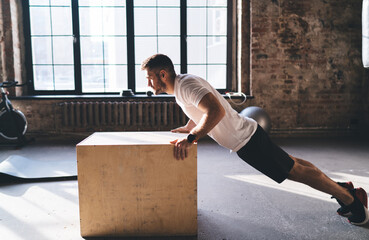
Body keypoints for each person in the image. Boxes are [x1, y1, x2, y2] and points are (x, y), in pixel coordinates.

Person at [141, 53, 369, 226]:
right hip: (247, 137)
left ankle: (351, 201)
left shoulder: (186, 86)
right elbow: (202, 110)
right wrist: (189, 126)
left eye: (150, 78)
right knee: (295, 165)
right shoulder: (182, 86)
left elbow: (216, 111)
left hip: (247, 141)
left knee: (295, 171)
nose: (149, 85)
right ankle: (343, 188)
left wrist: (192, 137)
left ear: (163, 74)